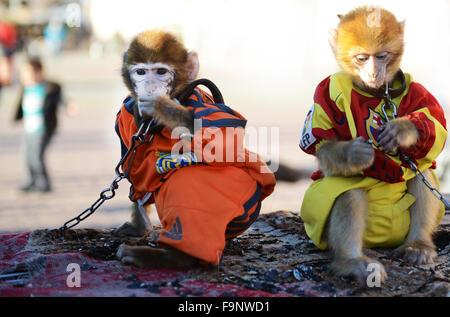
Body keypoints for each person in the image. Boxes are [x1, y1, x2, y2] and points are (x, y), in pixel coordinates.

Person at [13, 57, 75, 192]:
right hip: (29, 128)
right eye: (23, 75)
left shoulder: (49, 88)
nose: (25, 78)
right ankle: (30, 180)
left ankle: (43, 182)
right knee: (26, 155)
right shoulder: (26, 87)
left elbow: (61, 99)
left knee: (36, 156)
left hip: (43, 128)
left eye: (28, 74)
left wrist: (69, 105)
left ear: (39, 73)